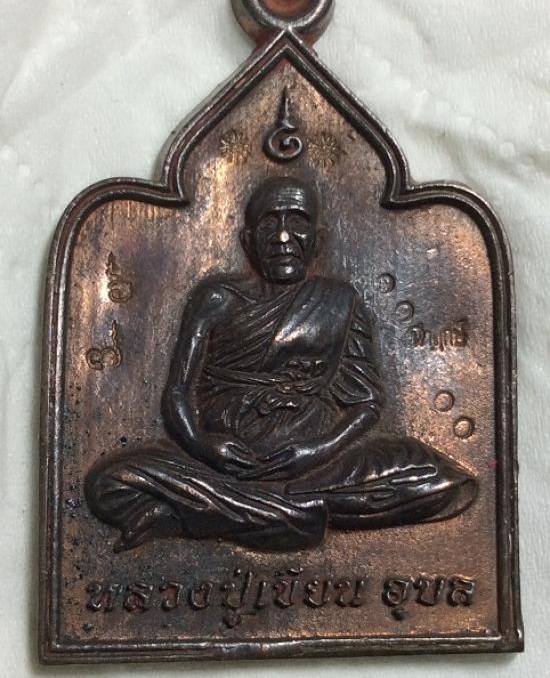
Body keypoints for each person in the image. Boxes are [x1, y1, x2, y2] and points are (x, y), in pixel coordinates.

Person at [85, 176, 477, 552]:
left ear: (317, 240)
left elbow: (366, 403)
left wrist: (316, 450)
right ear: (248, 240)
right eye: (270, 223)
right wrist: (203, 446)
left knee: (436, 478)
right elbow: (177, 394)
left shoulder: (340, 301)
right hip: (223, 467)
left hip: (315, 468)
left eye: (297, 223)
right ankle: (295, 515)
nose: (283, 237)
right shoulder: (217, 299)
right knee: (109, 482)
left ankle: (205, 516)